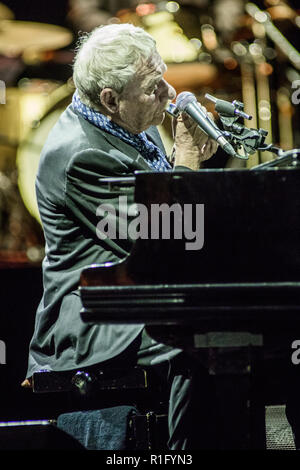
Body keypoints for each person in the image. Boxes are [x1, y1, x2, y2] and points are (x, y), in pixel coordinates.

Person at [22, 23, 219, 449]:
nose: (169, 93)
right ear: (111, 98)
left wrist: (186, 165)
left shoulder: (129, 122)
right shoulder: (81, 156)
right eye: (153, 86)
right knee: (199, 341)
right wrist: (185, 160)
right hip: (97, 319)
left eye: (163, 76)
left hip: (134, 295)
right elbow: (165, 239)